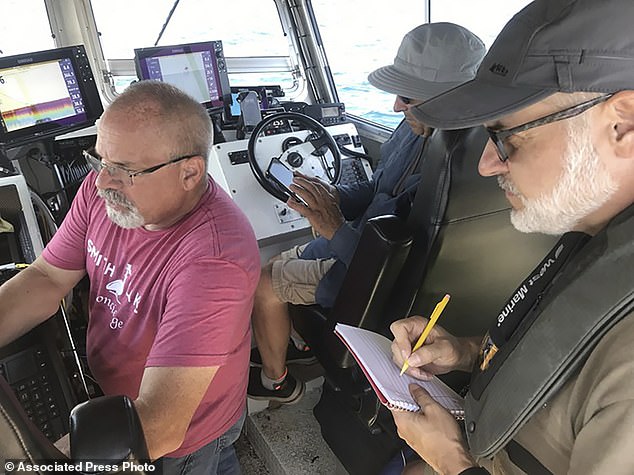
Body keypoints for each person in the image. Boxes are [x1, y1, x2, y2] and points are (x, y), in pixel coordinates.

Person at [388, 1, 634, 474]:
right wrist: (463, 351)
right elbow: (562, 351)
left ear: (622, 124)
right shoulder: (595, 233)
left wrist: (451, 461)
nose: (486, 164)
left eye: (507, 139)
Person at [0, 81, 261, 473]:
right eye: (100, 160)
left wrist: (29, 462)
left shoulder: (215, 260)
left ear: (190, 172)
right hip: (117, 393)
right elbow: (48, 277)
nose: (102, 182)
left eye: (124, 170)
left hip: (183, 437)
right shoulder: (103, 189)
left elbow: (159, 426)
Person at [248, 22, 486, 404]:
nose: (396, 106)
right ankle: (299, 346)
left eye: (407, 97)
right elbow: (379, 188)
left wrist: (333, 227)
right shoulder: (415, 127)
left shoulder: (452, 173)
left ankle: (277, 382)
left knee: (262, 282)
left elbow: (387, 266)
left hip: (361, 266)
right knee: (279, 260)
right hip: (353, 239)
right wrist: (334, 196)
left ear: (448, 98)